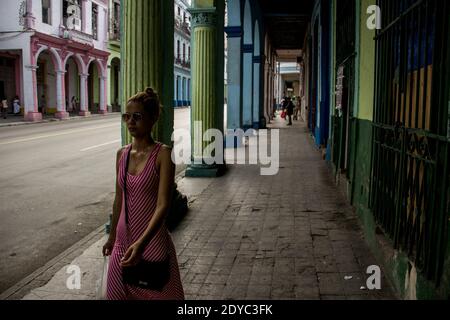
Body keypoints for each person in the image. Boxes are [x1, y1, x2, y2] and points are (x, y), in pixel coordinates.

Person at [102, 87, 184, 300]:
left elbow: (163, 205)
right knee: (116, 295)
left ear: (153, 118)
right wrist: (111, 238)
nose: (130, 122)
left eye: (137, 116)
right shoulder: (121, 154)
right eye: (126, 117)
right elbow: (119, 198)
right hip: (123, 241)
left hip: (152, 242)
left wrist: (141, 243)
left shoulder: (163, 154)